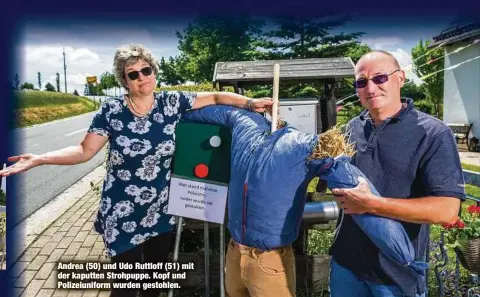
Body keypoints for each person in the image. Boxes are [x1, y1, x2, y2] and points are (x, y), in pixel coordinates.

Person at [0, 43, 273, 297]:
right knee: (125, 288)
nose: (142, 77)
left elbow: (214, 96)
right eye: (133, 74)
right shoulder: (112, 110)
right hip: (122, 212)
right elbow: (84, 151)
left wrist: (249, 103)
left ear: (154, 72)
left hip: (160, 210)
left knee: (152, 284)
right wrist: (40, 158)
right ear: (125, 81)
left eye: (146, 70)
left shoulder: (171, 103)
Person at [328, 50, 465, 297]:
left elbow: (447, 209)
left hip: (395, 276)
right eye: (361, 82)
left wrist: (373, 205)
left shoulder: (432, 133)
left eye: (380, 78)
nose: (370, 88)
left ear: (400, 78)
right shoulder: (352, 128)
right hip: (346, 265)